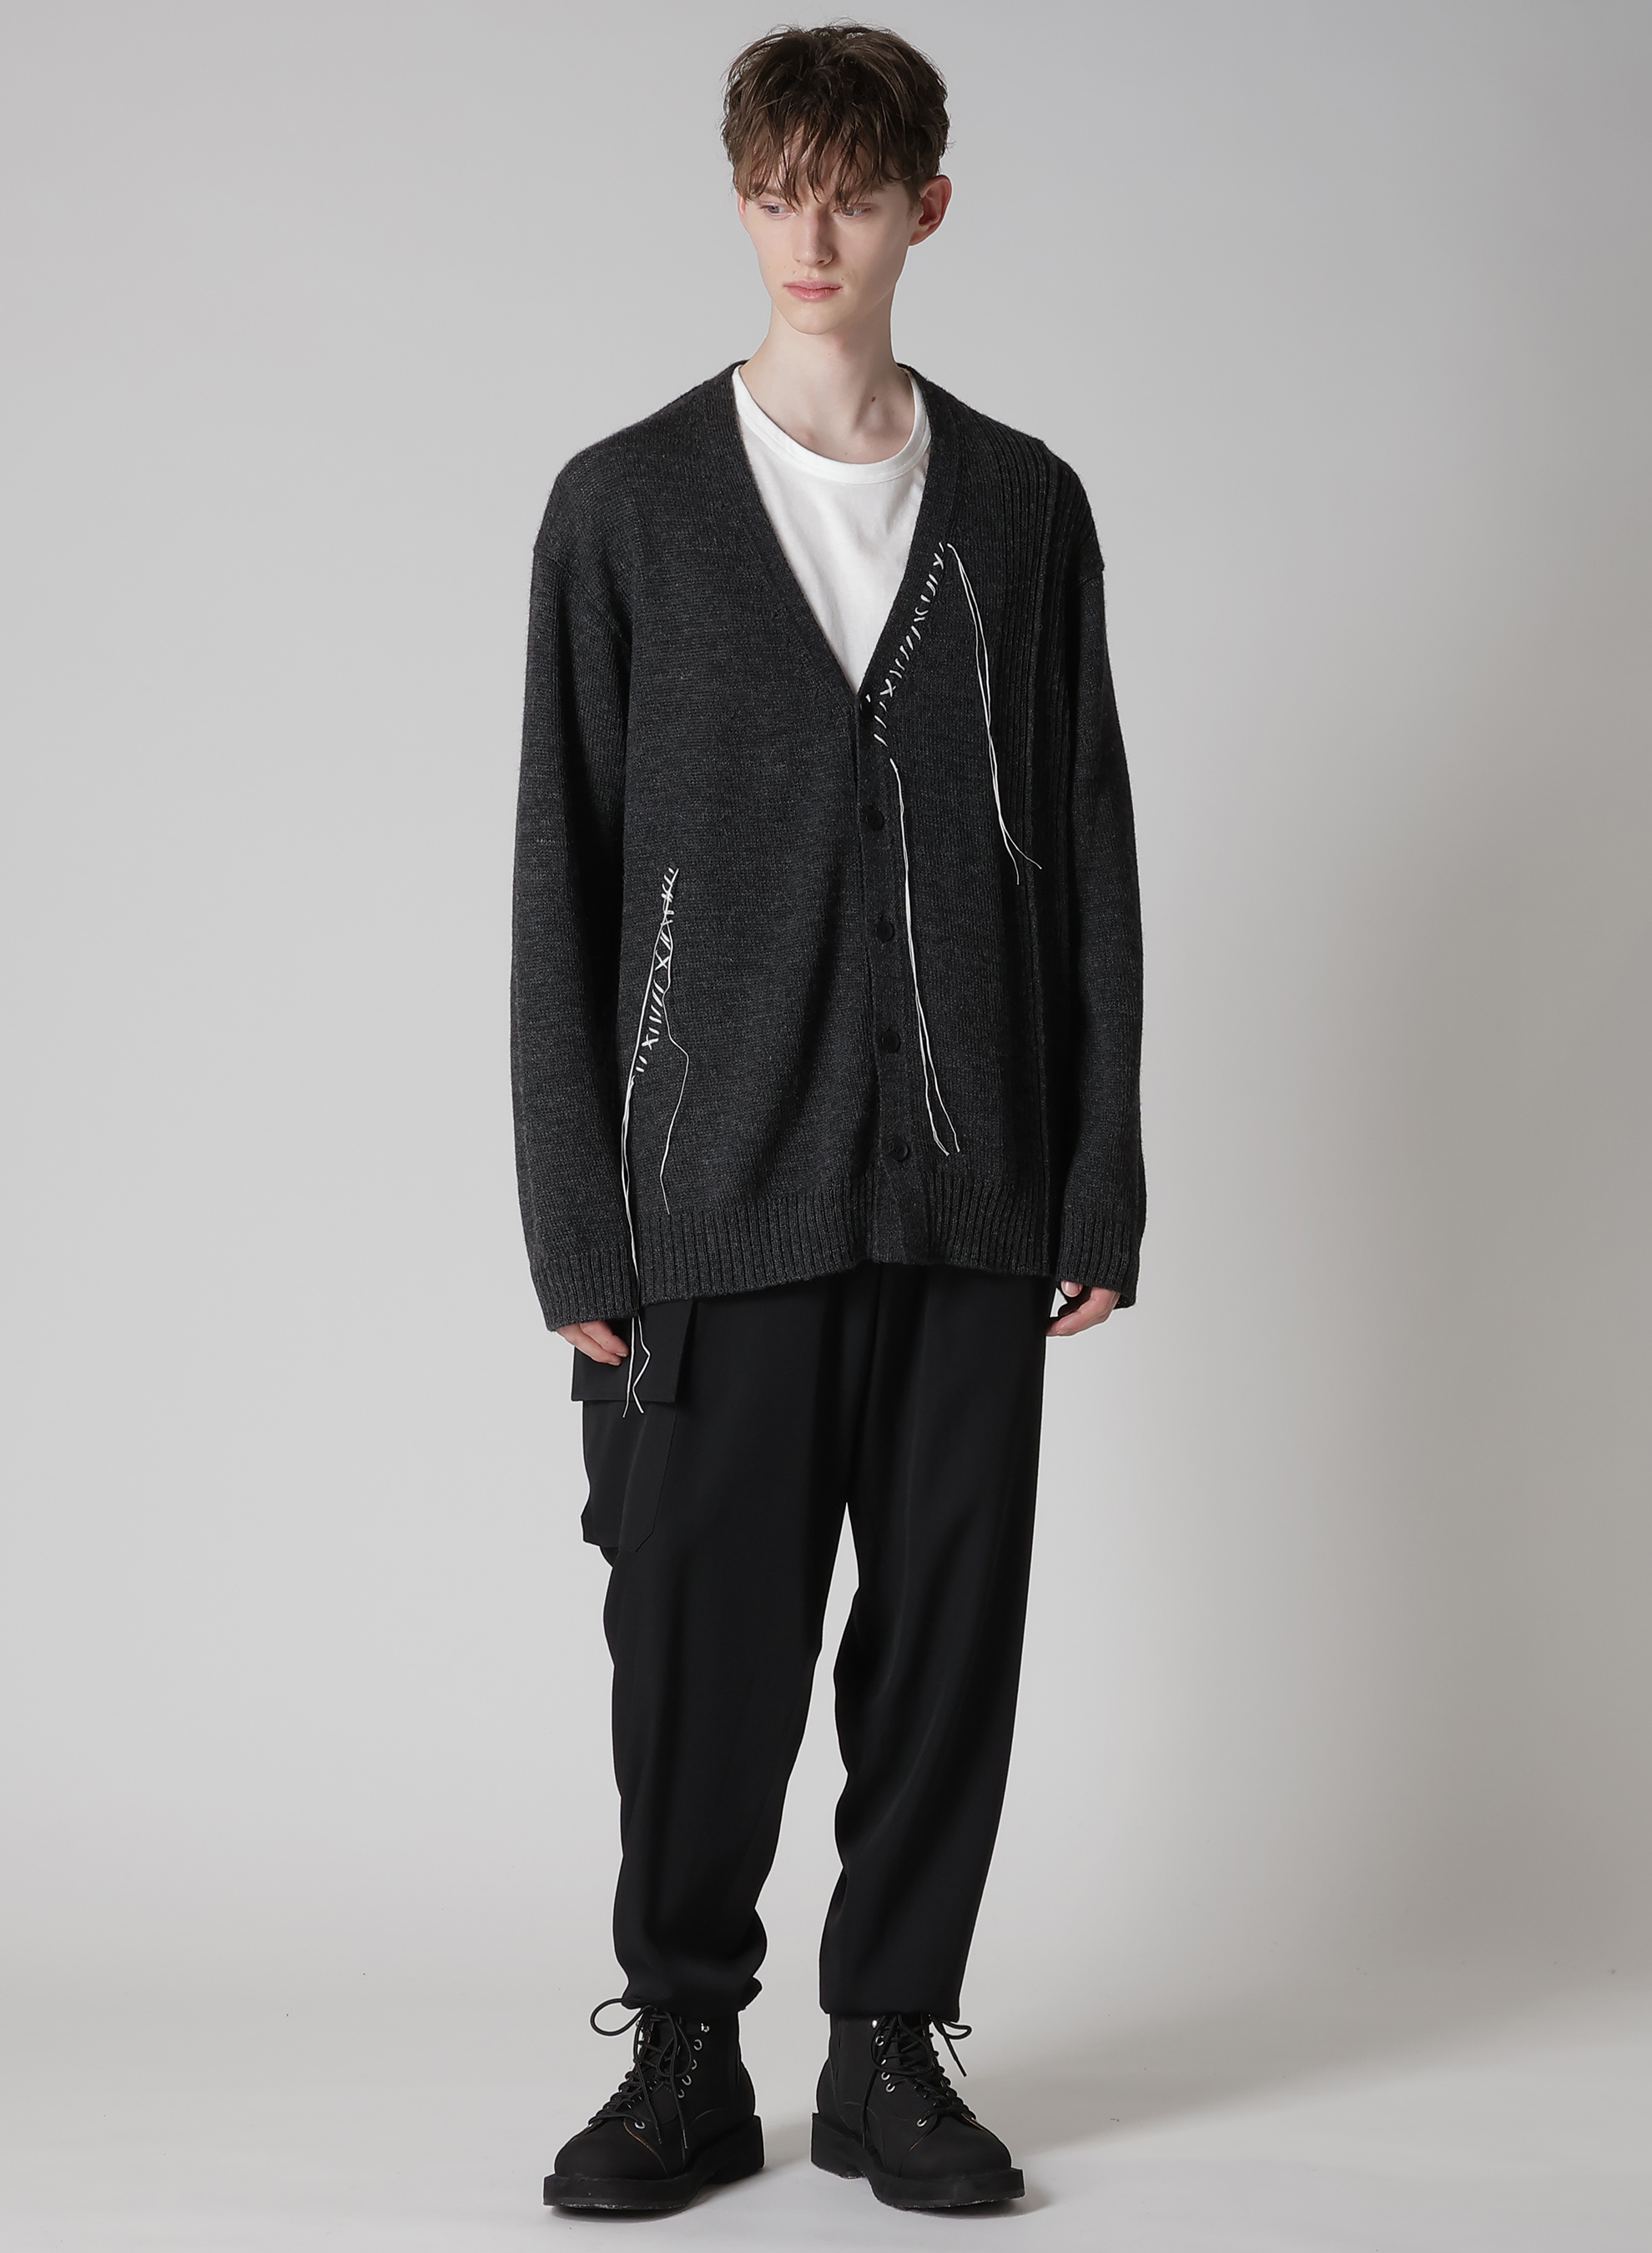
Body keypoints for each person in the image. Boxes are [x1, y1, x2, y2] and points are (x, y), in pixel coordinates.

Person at [511, 21, 1145, 2217]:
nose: (813, 235)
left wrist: (1096, 1176)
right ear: (739, 199)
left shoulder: (1025, 510)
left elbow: (1088, 852)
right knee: (697, 1641)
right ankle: (685, 2047)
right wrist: (577, 1230)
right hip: (710, 1194)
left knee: (944, 1641)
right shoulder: (625, 510)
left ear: (922, 209)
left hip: (973, 1192)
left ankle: (890, 2048)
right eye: (778, 191)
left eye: (854, 194)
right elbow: (561, 883)